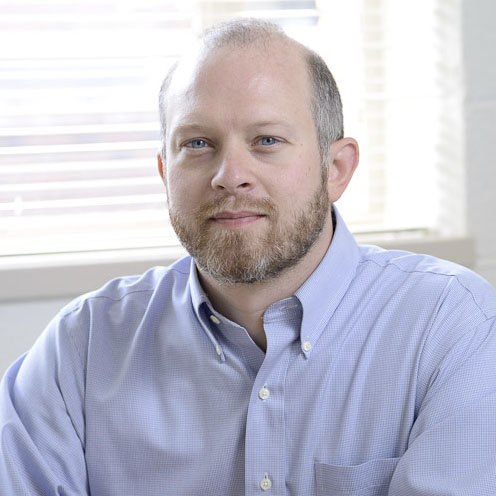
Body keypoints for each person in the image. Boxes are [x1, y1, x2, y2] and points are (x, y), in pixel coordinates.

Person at [1, 17, 496, 496]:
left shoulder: (450, 327)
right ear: (163, 172)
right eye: (198, 144)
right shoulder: (83, 348)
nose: (229, 175)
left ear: (337, 169)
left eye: (266, 140)